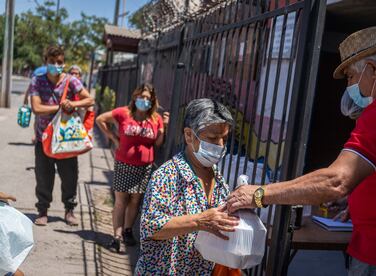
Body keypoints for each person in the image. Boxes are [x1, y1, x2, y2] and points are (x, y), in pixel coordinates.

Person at [227, 26, 376, 275]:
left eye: (349, 76)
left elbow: (336, 180)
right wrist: (361, 199)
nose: (349, 86)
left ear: (372, 69)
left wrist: (259, 193)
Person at [135, 98, 239, 275]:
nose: (220, 145)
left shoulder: (218, 178)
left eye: (224, 138)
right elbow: (150, 226)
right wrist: (199, 221)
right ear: (189, 135)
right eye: (213, 138)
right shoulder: (167, 175)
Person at [96, 83, 169, 252]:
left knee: (135, 200)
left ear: (152, 100)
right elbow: (100, 119)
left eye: (147, 98)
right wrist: (113, 138)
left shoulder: (155, 119)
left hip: (144, 167)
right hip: (124, 165)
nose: (144, 100)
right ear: (135, 97)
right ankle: (117, 236)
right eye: (141, 96)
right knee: (121, 201)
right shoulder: (123, 113)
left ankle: (128, 230)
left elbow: (158, 143)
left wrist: (163, 126)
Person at [30, 45, 94, 226]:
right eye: (52, 62)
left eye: (59, 62)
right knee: (43, 176)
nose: (56, 65)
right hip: (45, 139)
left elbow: (89, 99)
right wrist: (59, 107)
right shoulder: (37, 81)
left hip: (67, 139)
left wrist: (74, 104)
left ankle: (69, 210)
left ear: (63, 63)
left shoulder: (71, 81)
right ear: (46, 62)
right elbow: (37, 108)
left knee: (69, 176)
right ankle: (42, 211)